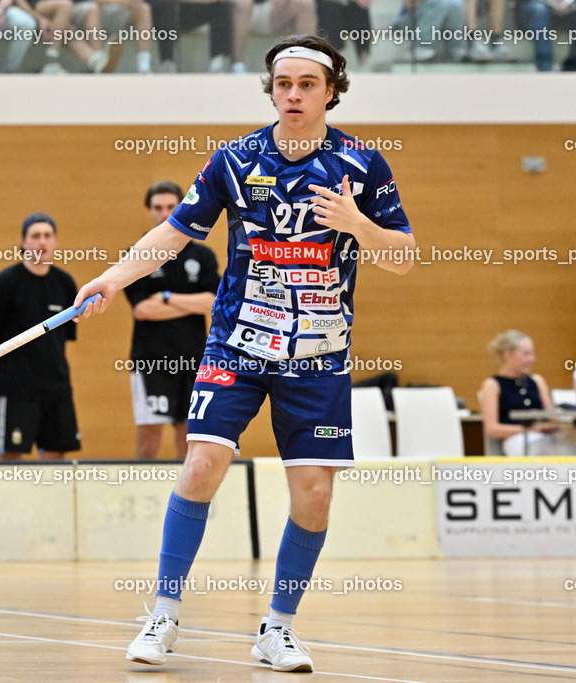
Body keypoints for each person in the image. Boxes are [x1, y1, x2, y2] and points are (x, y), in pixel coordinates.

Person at [74, 35, 415, 671]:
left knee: (313, 494)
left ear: (331, 90)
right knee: (201, 464)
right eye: (283, 83)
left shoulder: (365, 167)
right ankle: (163, 614)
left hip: (319, 356)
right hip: (238, 342)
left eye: (307, 84)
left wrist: (358, 225)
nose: (293, 94)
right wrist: (111, 279)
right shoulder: (235, 160)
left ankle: (277, 628)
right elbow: (172, 236)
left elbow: (402, 257)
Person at [124, 181, 219, 459]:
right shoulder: (138, 254)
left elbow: (212, 303)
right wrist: (190, 303)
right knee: (149, 439)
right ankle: (144, 499)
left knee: (189, 435)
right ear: (149, 211)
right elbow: (142, 310)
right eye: (158, 208)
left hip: (193, 359)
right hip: (150, 360)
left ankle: (184, 501)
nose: (164, 214)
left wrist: (164, 297)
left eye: (170, 207)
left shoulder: (202, 254)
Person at [0, 213, 80, 460]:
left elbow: (65, 338)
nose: (42, 242)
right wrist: (15, 368)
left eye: (48, 236)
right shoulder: (3, 284)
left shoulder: (65, 283)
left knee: (56, 456)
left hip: (57, 386)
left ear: (55, 242)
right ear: (23, 242)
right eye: (35, 236)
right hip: (17, 389)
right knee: (12, 457)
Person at [479, 329, 573, 456]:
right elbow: (491, 429)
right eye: (526, 354)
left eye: (532, 354)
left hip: (543, 437)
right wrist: (528, 429)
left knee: (571, 446)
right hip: (516, 438)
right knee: (539, 449)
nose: (532, 359)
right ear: (508, 355)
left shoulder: (537, 380)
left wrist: (548, 426)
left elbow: (552, 418)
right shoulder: (492, 385)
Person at [513, 0, 576, 71]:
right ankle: (545, 68)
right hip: (535, 8)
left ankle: (573, 66)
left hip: (572, 10)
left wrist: (570, 3)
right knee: (538, 10)